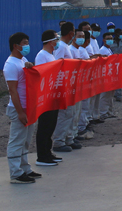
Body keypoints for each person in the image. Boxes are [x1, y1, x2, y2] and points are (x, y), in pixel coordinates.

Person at [3, 32, 41, 184]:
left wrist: (30, 67)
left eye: (27, 42)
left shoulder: (22, 60)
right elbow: (13, 91)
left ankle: (25, 168)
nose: (27, 46)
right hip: (19, 109)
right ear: (15, 46)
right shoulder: (10, 65)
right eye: (24, 43)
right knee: (16, 141)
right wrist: (20, 112)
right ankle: (15, 173)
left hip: (28, 107)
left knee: (25, 141)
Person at [52, 22, 82, 152]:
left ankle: (69, 138)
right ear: (71, 33)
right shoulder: (61, 47)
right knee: (64, 114)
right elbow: (58, 65)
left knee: (71, 113)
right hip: (64, 85)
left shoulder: (65, 47)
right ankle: (59, 141)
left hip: (70, 84)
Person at [34, 30, 62, 167]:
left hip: (53, 95)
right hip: (46, 96)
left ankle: (48, 151)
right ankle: (42, 156)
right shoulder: (42, 55)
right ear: (51, 41)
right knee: (44, 126)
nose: (57, 42)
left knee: (51, 125)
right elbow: (42, 75)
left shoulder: (51, 55)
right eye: (56, 39)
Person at [97, 33, 117, 120]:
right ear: (104, 40)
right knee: (105, 95)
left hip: (110, 75)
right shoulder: (102, 50)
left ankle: (109, 112)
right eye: (108, 38)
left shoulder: (109, 49)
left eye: (111, 38)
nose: (110, 40)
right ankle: (103, 113)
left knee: (110, 95)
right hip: (105, 75)